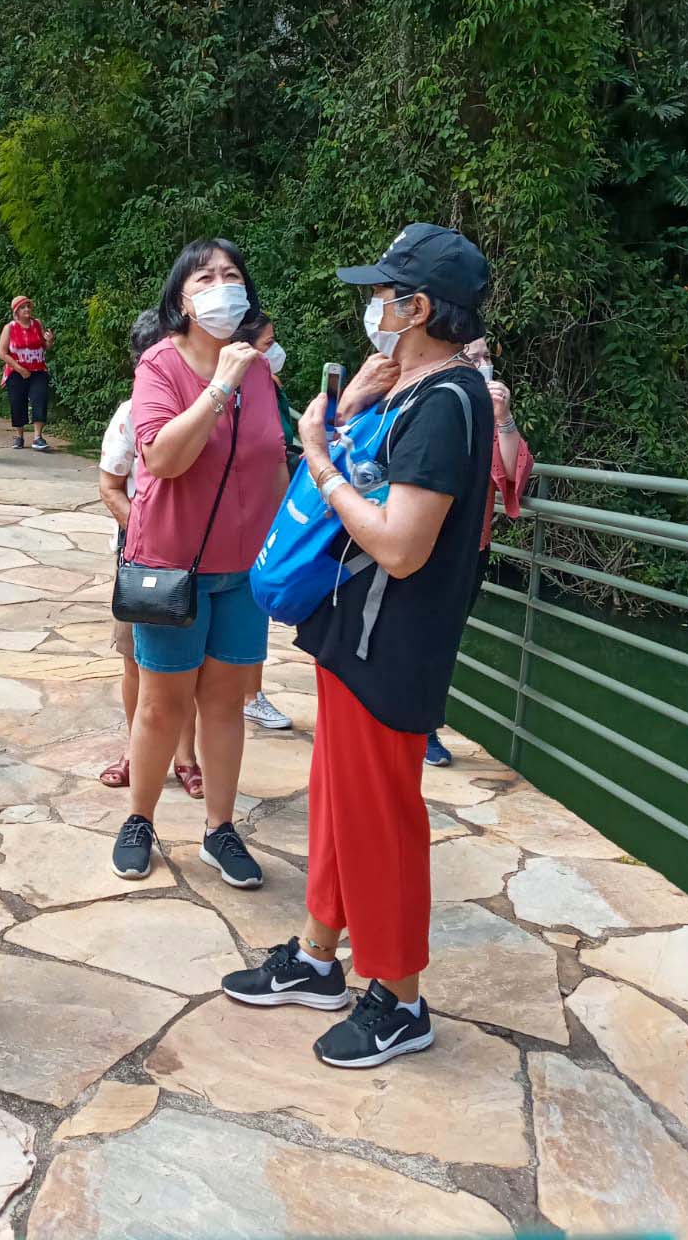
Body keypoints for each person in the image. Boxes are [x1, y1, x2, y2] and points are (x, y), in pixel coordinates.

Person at [221, 223, 493, 1069]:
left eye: (384, 294)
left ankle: (401, 999)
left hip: (392, 645)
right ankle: (316, 957)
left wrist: (318, 456)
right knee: (340, 805)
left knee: (381, 821)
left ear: (418, 308)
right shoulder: (416, 390)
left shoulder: (447, 403)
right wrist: (349, 413)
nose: (373, 306)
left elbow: (402, 545)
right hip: (358, 633)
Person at [111, 239, 289, 888]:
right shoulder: (159, 365)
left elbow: (272, 461)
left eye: (231, 275)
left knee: (224, 703)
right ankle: (139, 820)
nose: (221, 286)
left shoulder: (261, 373)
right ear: (180, 298)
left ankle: (220, 828)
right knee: (162, 704)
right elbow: (162, 458)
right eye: (205, 277)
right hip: (172, 567)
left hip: (243, 570)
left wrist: (282, 552)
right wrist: (219, 387)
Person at [98, 309, 203, 798]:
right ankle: (137, 752)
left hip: (201, 559)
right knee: (136, 660)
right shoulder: (129, 413)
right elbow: (110, 486)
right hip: (142, 562)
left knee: (192, 667)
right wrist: (148, 535)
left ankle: (186, 757)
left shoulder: (209, 409)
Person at [424, 335, 533, 767]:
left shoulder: (488, 410)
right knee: (410, 633)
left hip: (470, 547)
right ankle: (397, 718)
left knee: (445, 638)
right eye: (475, 356)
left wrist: (503, 416)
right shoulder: (437, 398)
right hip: (417, 539)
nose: (484, 362)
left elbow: (513, 471)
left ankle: (425, 725)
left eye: (487, 355)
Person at [234, 312, 297, 732]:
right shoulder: (238, 389)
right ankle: (247, 694)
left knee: (252, 603)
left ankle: (249, 693)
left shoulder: (268, 386)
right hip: (247, 509)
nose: (275, 351)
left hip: (267, 508)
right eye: (267, 343)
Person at [0, 296, 53, 450]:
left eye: (28, 306)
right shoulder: (10, 328)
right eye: (23, 307)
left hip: (38, 369)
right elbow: (2, 352)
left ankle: (38, 437)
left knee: (40, 398)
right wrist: (19, 369)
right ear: (16, 311)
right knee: (17, 402)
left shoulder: (37, 324)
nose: (27, 310)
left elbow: (44, 346)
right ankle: (19, 436)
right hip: (17, 370)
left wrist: (49, 340)